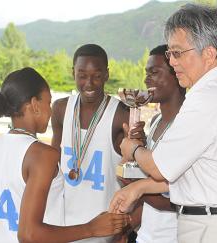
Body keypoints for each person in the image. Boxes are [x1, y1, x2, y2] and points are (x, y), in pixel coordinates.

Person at [110, 4, 217, 243]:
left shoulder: (208, 96)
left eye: (177, 53)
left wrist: (133, 149)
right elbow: (203, 171)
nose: (172, 62)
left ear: (208, 53)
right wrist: (140, 188)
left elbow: (159, 167)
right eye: (170, 54)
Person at [0, 67, 129, 242]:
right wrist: (91, 228)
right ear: (35, 105)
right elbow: (29, 235)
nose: (50, 111)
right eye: (48, 103)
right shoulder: (42, 154)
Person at [51, 44, 142, 243]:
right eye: (82, 75)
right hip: (64, 228)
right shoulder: (60, 109)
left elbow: (136, 176)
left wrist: (126, 227)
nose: (89, 83)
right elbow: (51, 165)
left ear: (107, 75)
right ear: (72, 73)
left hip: (105, 231)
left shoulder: (120, 114)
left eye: (97, 75)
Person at [131, 44, 185, 243]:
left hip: (174, 236)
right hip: (147, 235)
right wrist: (140, 148)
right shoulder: (155, 121)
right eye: (146, 73)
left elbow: (177, 200)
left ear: (177, 75)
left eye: (154, 72)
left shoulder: (186, 124)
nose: (146, 79)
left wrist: (136, 187)